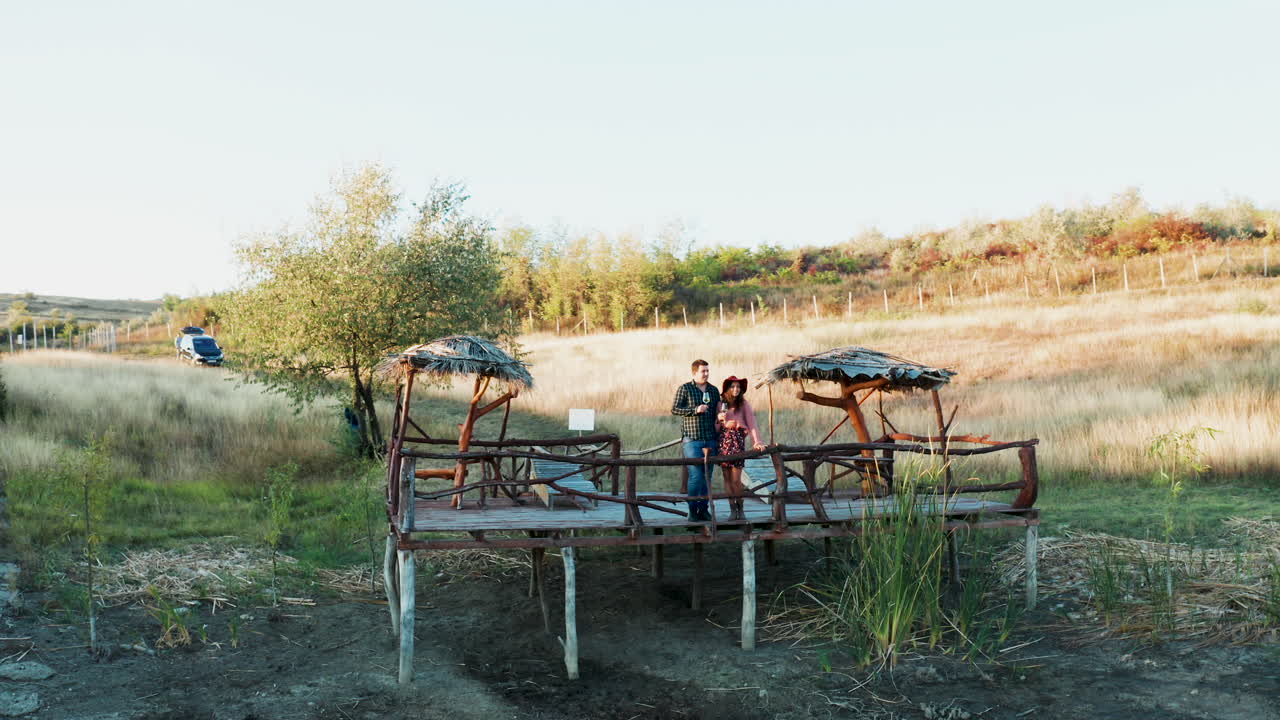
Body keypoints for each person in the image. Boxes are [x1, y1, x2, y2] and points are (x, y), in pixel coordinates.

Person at [670, 359, 720, 521]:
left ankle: (703, 510)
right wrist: (694, 410)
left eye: (707, 370)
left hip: (711, 439)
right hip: (692, 439)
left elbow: (716, 412)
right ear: (694, 373)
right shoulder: (685, 388)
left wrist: (720, 417)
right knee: (696, 476)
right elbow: (675, 409)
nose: (706, 374)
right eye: (703, 371)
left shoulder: (713, 390)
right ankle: (692, 511)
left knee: (707, 476)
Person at [716, 376, 765, 521]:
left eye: (738, 387)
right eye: (733, 386)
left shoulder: (744, 404)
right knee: (727, 478)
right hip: (723, 441)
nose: (736, 389)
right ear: (727, 389)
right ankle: (732, 509)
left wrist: (757, 441)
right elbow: (716, 426)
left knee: (736, 479)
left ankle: (740, 508)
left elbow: (752, 424)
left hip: (737, 441)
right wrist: (720, 420)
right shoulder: (720, 404)